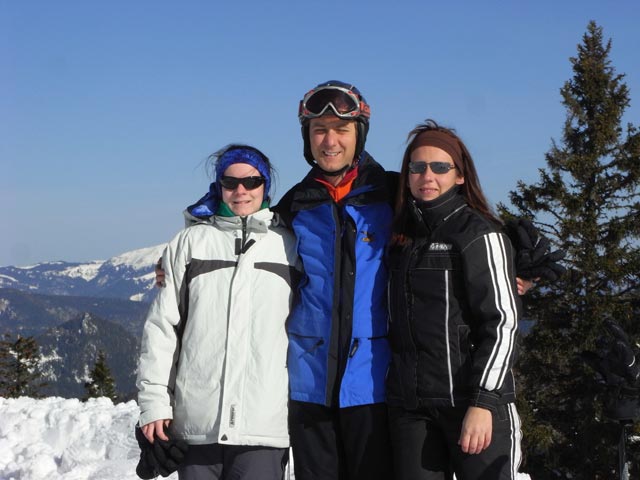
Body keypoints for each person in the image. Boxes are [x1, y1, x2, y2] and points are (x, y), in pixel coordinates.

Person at [136, 144, 300, 480]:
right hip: (197, 425)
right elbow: (162, 329)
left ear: (265, 186)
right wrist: (154, 404)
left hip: (264, 427)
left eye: (252, 181)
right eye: (230, 182)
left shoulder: (289, 245)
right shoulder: (191, 243)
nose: (241, 190)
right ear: (219, 186)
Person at [271, 80, 396, 480]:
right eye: (319, 130)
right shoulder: (294, 205)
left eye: (341, 130)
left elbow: (459, 223)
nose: (330, 141)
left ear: (358, 134)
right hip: (310, 384)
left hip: (374, 382)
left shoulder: (392, 195)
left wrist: (522, 257)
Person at [386, 120, 523, 479]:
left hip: (471, 404)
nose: (426, 175)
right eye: (417, 167)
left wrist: (483, 402)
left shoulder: (478, 233)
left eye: (439, 167)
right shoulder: (403, 239)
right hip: (413, 408)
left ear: (460, 175)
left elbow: (503, 324)